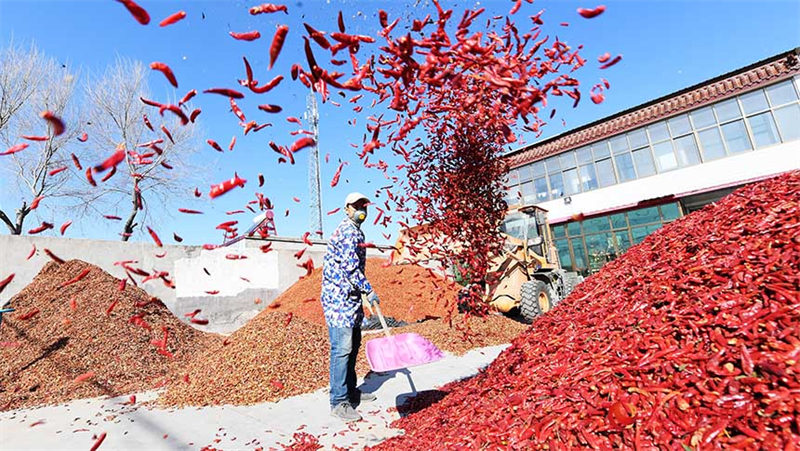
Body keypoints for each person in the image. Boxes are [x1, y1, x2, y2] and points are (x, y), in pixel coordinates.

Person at [321, 192, 381, 422]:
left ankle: (351, 391)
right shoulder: (347, 231)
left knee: (353, 346)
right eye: (356, 206)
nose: (361, 209)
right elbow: (349, 268)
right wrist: (368, 289)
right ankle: (339, 402)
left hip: (350, 298)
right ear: (347, 208)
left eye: (363, 205)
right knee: (342, 349)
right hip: (338, 299)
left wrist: (362, 292)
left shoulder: (357, 231)